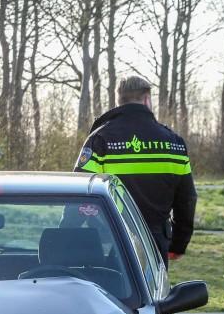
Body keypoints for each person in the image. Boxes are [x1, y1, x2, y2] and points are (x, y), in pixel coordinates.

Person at [74, 75, 197, 264]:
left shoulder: (100, 139)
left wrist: (65, 236)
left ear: (119, 100)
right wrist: (178, 244)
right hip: (155, 242)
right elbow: (186, 200)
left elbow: (79, 193)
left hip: (112, 241)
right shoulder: (174, 143)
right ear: (147, 99)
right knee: (155, 293)